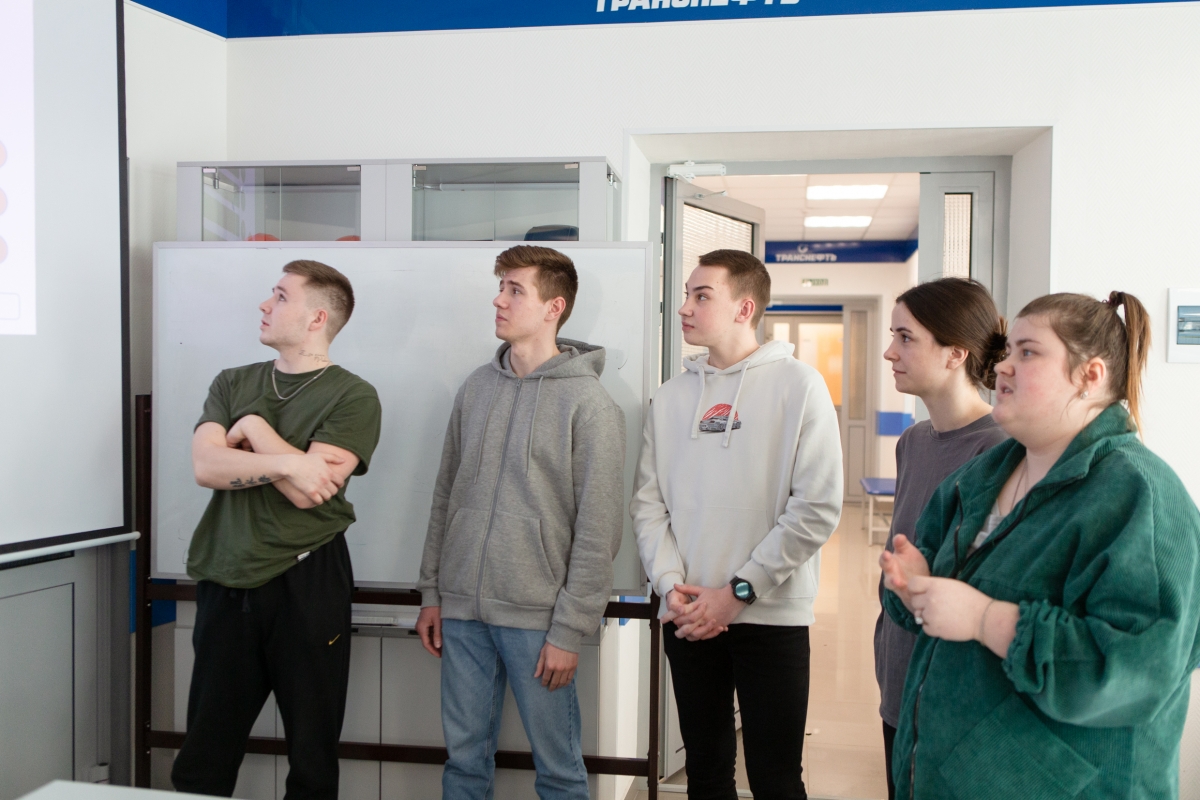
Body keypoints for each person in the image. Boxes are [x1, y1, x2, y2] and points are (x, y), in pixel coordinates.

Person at [881, 291, 1200, 799]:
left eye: (1028, 352)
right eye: (1008, 350)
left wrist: (986, 619)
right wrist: (914, 587)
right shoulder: (981, 476)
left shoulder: (1140, 495)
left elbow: (1135, 671)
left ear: (1089, 375)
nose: (1002, 366)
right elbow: (935, 609)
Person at [414, 245, 626, 800]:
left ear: (554, 307)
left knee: (558, 772)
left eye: (515, 290)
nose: (499, 300)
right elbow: (444, 496)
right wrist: (433, 592)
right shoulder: (476, 388)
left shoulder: (590, 405)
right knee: (463, 763)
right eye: (500, 287)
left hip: (540, 620)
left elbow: (598, 531)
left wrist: (569, 631)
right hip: (462, 612)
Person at [631, 249, 843, 800]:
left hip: (770, 614)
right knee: (705, 774)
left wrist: (738, 593)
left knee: (775, 779)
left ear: (744, 308)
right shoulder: (671, 397)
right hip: (687, 613)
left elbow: (816, 507)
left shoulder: (801, 386)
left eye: (701, 296)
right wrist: (670, 587)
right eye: (686, 294)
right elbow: (648, 505)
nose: (684, 307)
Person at [172, 260, 382, 800]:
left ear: (317, 318)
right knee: (204, 754)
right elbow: (206, 467)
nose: (265, 305)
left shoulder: (353, 396)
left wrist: (253, 427)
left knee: (312, 757)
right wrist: (291, 462)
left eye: (281, 296)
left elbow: (311, 492)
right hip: (227, 577)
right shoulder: (232, 381)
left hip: (309, 580)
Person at [872, 278, 1009, 799]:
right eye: (893, 336)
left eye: (906, 337)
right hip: (898, 678)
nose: (890, 352)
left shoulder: (997, 451)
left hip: (952, 696)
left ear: (955, 354)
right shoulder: (913, 442)